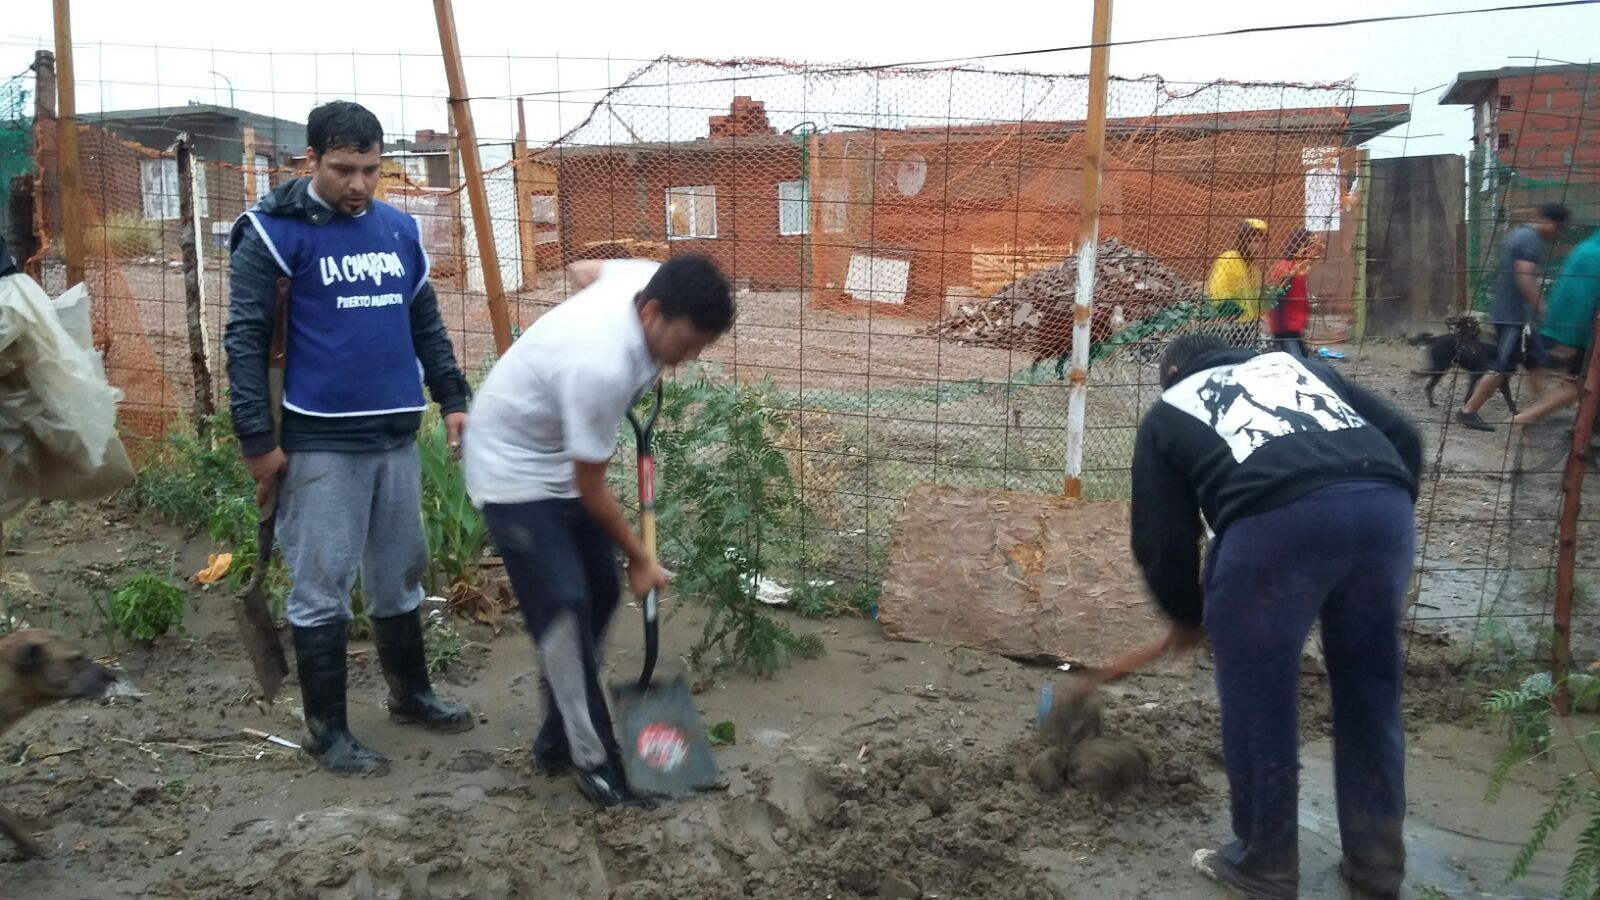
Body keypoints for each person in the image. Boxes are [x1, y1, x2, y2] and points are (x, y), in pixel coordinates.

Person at [224, 100, 475, 776]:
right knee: (322, 585)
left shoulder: (398, 230)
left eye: (370, 170)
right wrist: (256, 439)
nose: (358, 185)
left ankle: (411, 694)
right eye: (342, 169)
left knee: (399, 573)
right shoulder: (274, 234)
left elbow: (425, 322)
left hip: (395, 432)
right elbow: (244, 342)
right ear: (310, 160)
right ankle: (327, 732)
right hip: (318, 441)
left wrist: (453, 397)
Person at [1130, 333, 1422, 900]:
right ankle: (1377, 864)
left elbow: (1163, 541)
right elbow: (1406, 435)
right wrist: (1371, 510)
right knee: (1371, 692)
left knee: (1260, 698)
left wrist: (1187, 615)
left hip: (1274, 532)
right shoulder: (1304, 369)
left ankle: (1264, 863)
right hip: (1383, 513)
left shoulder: (1169, 411)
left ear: (1170, 373)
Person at [462, 254, 734, 807]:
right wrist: (640, 557)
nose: (689, 359)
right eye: (686, 344)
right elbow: (592, 488)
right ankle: (594, 761)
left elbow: (587, 270)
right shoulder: (600, 367)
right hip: (511, 469)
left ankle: (557, 737)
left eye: (701, 347)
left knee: (601, 592)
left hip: (559, 456)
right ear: (653, 312)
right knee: (563, 605)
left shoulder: (643, 278)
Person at [1457, 203, 1570, 431]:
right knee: (1504, 365)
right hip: (1513, 317)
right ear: (1549, 222)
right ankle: (1468, 411)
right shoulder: (1530, 240)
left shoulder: (1519, 234)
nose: (1558, 233)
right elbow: (1524, 277)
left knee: (1536, 362)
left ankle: (1541, 411)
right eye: (1559, 227)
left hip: (1515, 314)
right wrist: (1542, 307)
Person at [1510, 228, 1600, 426]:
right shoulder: (1595, 255)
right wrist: (1570, 339)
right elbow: (1582, 300)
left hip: (1560, 324)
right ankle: (1524, 419)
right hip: (1575, 330)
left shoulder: (1586, 247)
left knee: (1562, 377)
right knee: (1576, 386)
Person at [1206, 218, 1270, 346]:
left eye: (1262, 241)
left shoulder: (1254, 268)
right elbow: (1217, 292)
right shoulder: (1229, 259)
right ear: (1243, 240)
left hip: (1250, 326)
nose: (1259, 246)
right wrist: (1236, 313)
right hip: (1231, 325)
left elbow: (1256, 297)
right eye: (1255, 241)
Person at [1264, 227, 1322, 359]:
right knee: (1297, 361)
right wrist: (1281, 326)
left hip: (1293, 326)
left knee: (1300, 358)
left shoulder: (1297, 268)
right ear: (1302, 248)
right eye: (1311, 249)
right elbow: (1277, 299)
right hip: (1286, 328)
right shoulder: (1286, 268)